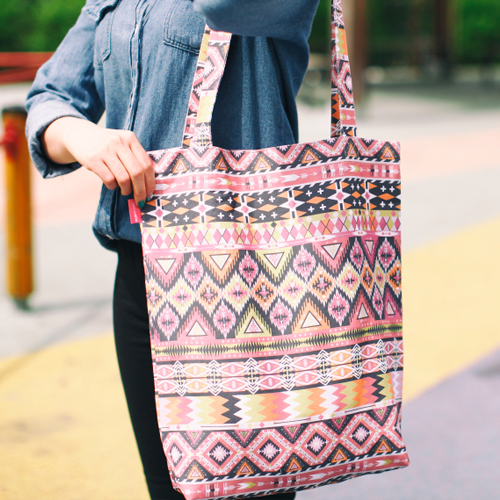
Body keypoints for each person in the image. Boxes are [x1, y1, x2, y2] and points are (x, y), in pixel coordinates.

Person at [26, 0, 321, 498]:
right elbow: (50, 96)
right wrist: (82, 136)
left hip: (246, 281)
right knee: (167, 489)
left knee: (252, 489)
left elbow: (221, 8)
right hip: (140, 277)